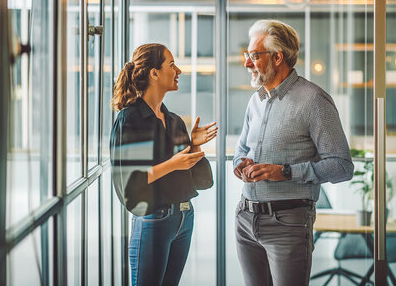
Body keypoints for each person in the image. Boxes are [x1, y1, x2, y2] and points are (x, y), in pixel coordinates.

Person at [233, 20, 354, 286]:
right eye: (248, 55)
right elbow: (241, 148)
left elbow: (342, 166)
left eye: (254, 55)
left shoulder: (314, 101)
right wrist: (239, 163)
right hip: (245, 217)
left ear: (277, 58)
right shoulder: (256, 100)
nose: (247, 63)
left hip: (288, 222)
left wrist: (285, 172)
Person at [110, 43, 218, 286]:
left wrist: (195, 145)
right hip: (154, 221)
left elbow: (201, 181)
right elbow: (128, 182)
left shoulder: (174, 121)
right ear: (154, 73)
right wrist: (172, 164)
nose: (178, 70)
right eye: (171, 65)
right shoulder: (131, 119)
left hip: (184, 218)